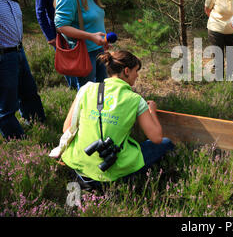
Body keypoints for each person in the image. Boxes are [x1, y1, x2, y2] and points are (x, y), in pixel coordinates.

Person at [58, 50, 174, 188]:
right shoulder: (135, 100)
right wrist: (152, 111)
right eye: (136, 71)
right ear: (126, 71)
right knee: (166, 143)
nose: (137, 75)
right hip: (112, 170)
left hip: (78, 165)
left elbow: (67, 128)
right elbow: (156, 138)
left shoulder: (86, 89)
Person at [0, 0, 45, 140]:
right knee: (6, 103)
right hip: (3, 56)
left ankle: (38, 124)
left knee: (29, 92)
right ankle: (17, 141)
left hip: (18, 51)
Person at [54, 0, 108, 90]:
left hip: (99, 49)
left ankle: (100, 112)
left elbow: (95, 20)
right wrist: (91, 36)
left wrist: (103, 41)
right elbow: (61, 26)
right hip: (85, 53)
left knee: (102, 90)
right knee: (87, 93)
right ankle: (85, 113)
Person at [35, 0, 77, 88]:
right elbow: (40, 10)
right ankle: (75, 93)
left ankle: (85, 91)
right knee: (68, 67)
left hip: (76, 29)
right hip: (57, 32)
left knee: (82, 64)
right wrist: (50, 36)